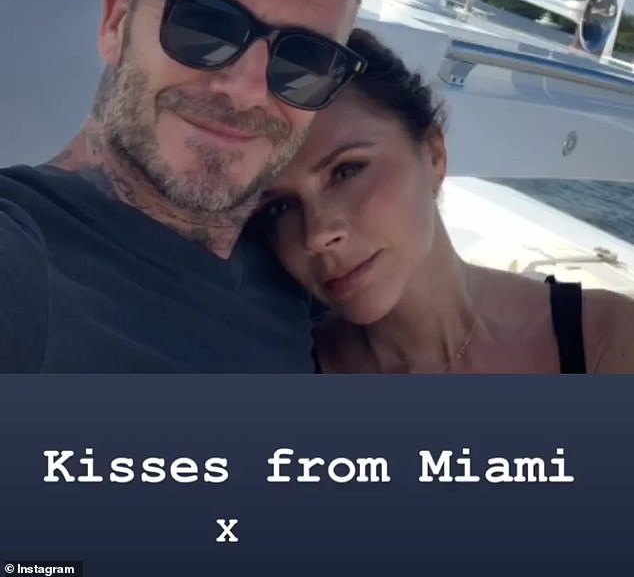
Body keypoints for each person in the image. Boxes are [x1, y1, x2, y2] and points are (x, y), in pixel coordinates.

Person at [0, 0, 373, 373]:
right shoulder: (23, 257)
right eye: (204, 23)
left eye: (304, 59)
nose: (246, 89)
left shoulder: (302, 283)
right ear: (117, 23)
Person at [258, 28, 634, 374]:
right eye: (280, 207)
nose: (316, 235)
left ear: (434, 154)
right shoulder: (283, 373)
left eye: (346, 171)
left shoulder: (607, 339)